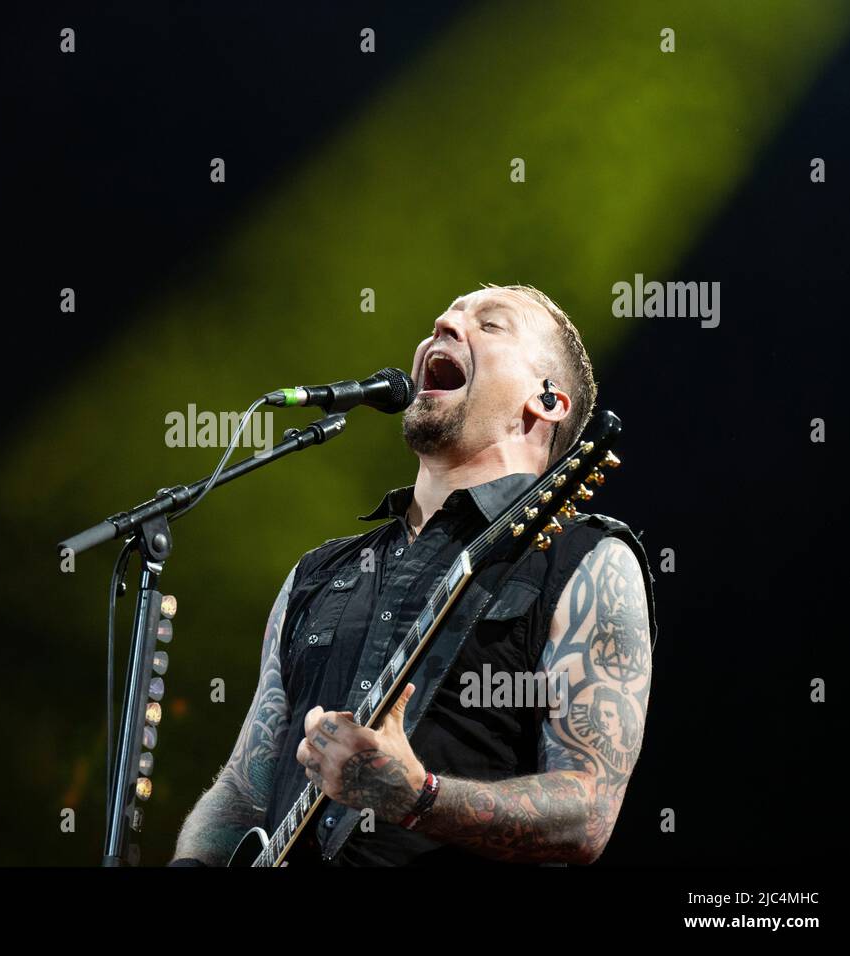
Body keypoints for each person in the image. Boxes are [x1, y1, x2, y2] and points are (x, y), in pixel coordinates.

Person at [170, 284, 656, 866]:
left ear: (547, 401)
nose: (443, 326)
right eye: (443, 318)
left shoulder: (588, 559)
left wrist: (417, 796)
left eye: (491, 324)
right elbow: (243, 791)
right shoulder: (318, 573)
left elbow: (588, 811)